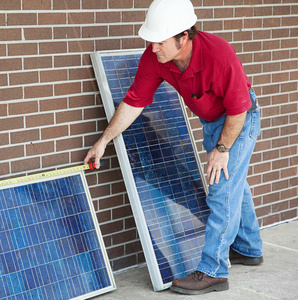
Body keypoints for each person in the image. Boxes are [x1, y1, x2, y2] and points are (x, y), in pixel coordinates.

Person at [84, 0, 263, 295]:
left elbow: (239, 109)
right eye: (150, 41)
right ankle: (248, 248)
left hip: (239, 120)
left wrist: (222, 148)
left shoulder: (218, 54)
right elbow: (133, 103)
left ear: (184, 37)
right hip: (213, 121)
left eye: (159, 41)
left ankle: (213, 271)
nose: (152, 47)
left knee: (221, 188)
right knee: (234, 186)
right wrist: (104, 140)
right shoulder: (155, 57)